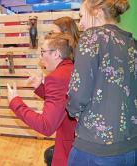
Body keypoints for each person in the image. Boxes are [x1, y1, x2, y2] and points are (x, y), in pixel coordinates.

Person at [67, 0, 137, 165]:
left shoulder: (92, 37)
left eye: (82, 16)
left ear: (97, 12)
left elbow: (78, 94)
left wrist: (73, 110)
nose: (81, 24)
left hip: (95, 147)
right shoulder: (131, 43)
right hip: (130, 146)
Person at [7, 33, 77, 166]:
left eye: (43, 52)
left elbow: (46, 126)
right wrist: (40, 87)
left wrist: (15, 102)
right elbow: (64, 102)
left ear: (56, 54)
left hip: (70, 147)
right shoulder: (71, 69)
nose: (40, 58)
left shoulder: (56, 77)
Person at [43, 16, 80, 166]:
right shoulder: (69, 63)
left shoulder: (76, 62)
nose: (50, 36)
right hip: (67, 128)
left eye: (53, 33)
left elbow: (46, 125)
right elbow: (62, 97)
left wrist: (16, 103)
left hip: (73, 131)